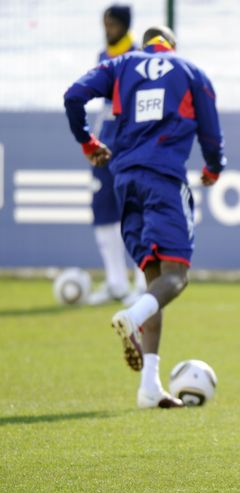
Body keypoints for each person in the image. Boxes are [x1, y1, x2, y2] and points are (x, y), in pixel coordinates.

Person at [63, 27, 226, 408]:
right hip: (165, 179)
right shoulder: (190, 72)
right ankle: (133, 317)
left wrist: (87, 141)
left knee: (154, 280)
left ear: (145, 45)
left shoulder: (121, 65)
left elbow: (73, 95)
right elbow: (212, 135)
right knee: (177, 276)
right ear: (172, 46)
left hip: (125, 180)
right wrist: (215, 169)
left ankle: (149, 386)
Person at [86, 4, 145, 306]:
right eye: (104, 24)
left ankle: (141, 284)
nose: (107, 29)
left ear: (124, 25)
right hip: (104, 147)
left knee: (131, 213)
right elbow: (102, 107)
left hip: (127, 146)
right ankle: (115, 283)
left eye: (111, 24)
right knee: (102, 211)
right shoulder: (102, 56)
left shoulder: (137, 57)